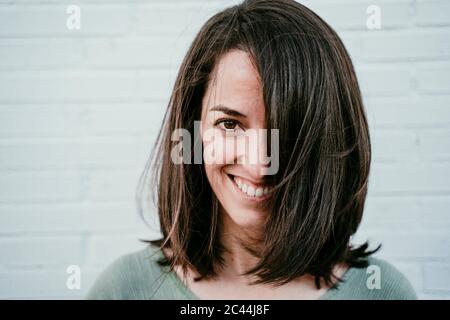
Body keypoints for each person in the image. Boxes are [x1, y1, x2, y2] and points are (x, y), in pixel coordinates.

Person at [87, 0, 417, 300]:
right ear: (195, 127)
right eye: (230, 124)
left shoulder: (383, 292)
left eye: (287, 129)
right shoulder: (124, 289)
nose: (259, 164)